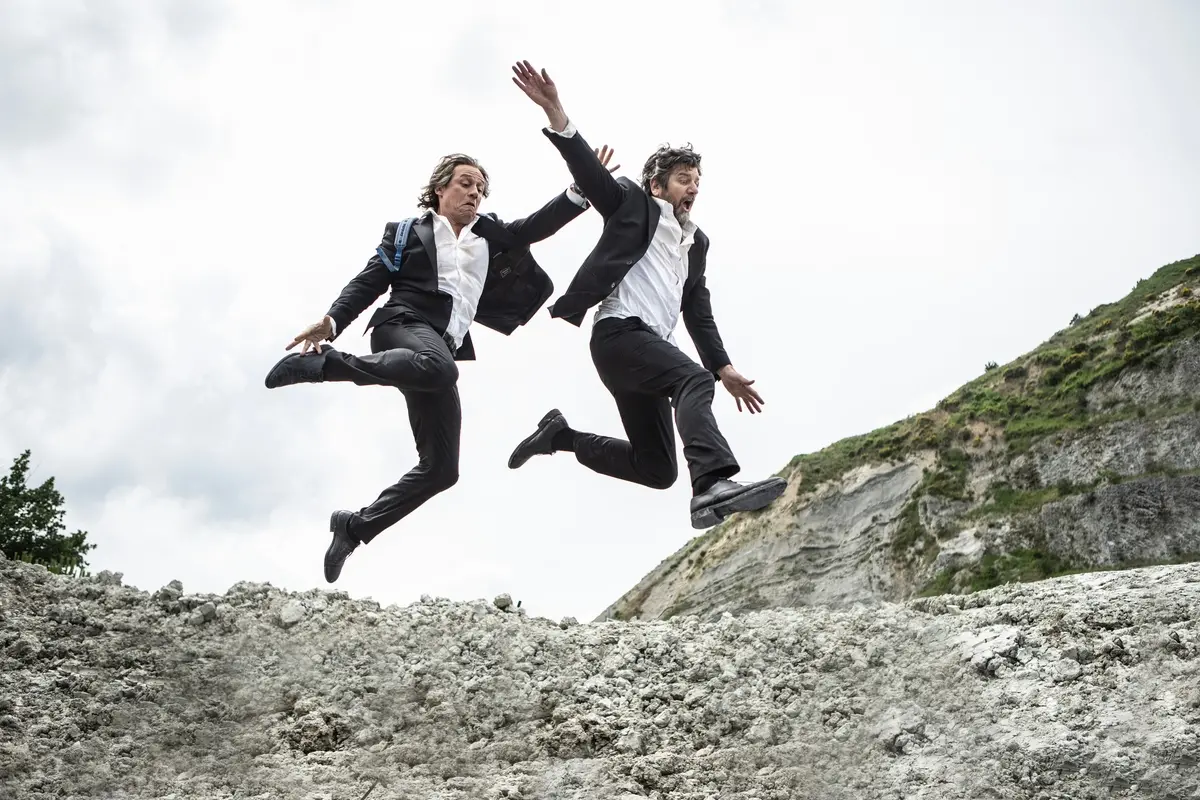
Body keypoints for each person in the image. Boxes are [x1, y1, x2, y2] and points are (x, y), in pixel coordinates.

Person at [264, 148, 616, 582]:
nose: (475, 193)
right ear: (439, 189)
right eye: (466, 184)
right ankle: (325, 365)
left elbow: (534, 227)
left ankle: (354, 527)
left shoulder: (489, 235)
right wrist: (331, 322)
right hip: (401, 326)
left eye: (481, 189)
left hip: (436, 353)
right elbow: (367, 282)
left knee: (441, 469)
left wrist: (579, 191)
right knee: (440, 367)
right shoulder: (407, 232)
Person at [506, 60, 787, 530]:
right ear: (657, 185)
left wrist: (726, 368)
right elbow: (590, 175)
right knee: (694, 382)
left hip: (643, 352)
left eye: (696, 181)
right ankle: (713, 483)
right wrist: (556, 110)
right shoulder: (632, 204)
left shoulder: (695, 244)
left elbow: (698, 311)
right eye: (682, 179)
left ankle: (561, 437)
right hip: (618, 334)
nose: (692, 187)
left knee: (656, 468)